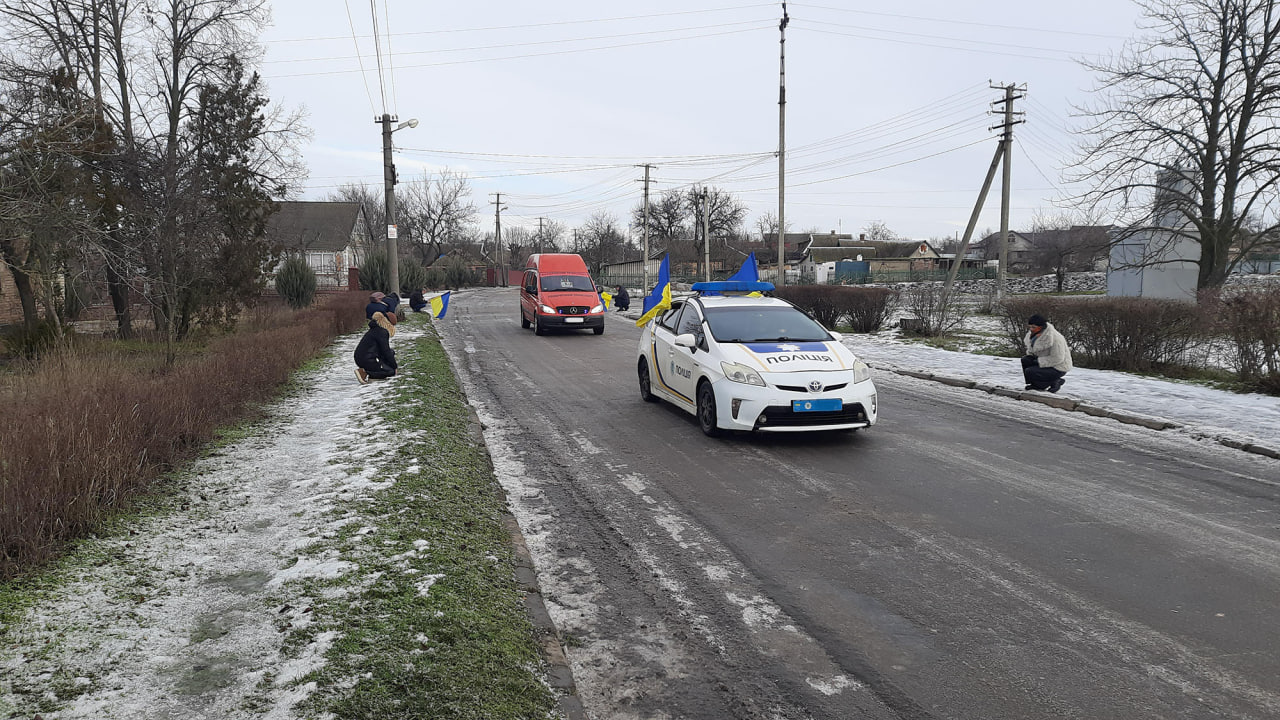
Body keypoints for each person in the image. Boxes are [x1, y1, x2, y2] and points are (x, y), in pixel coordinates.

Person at [1022, 313, 1072, 393]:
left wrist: (1038, 361)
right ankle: (1037, 385)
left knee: (1030, 371)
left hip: (1058, 366)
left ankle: (1055, 380)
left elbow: (1058, 358)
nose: (1031, 329)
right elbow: (1032, 350)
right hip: (1045, 362)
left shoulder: (1055, 338)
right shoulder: (1034, 335)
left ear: (1041, 327)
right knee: (1025, 360)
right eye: (1030, 327)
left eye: (1033, 327)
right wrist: (1032, 358)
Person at [354, 310, 398, 384]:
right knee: (391, 371)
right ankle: (366, 372)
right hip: (368, 360)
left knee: (391, 352)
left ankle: (372, 373)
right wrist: (394, 366)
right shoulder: (382, 332)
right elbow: (385, 351)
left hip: (361, 358)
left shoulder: (375, 330)